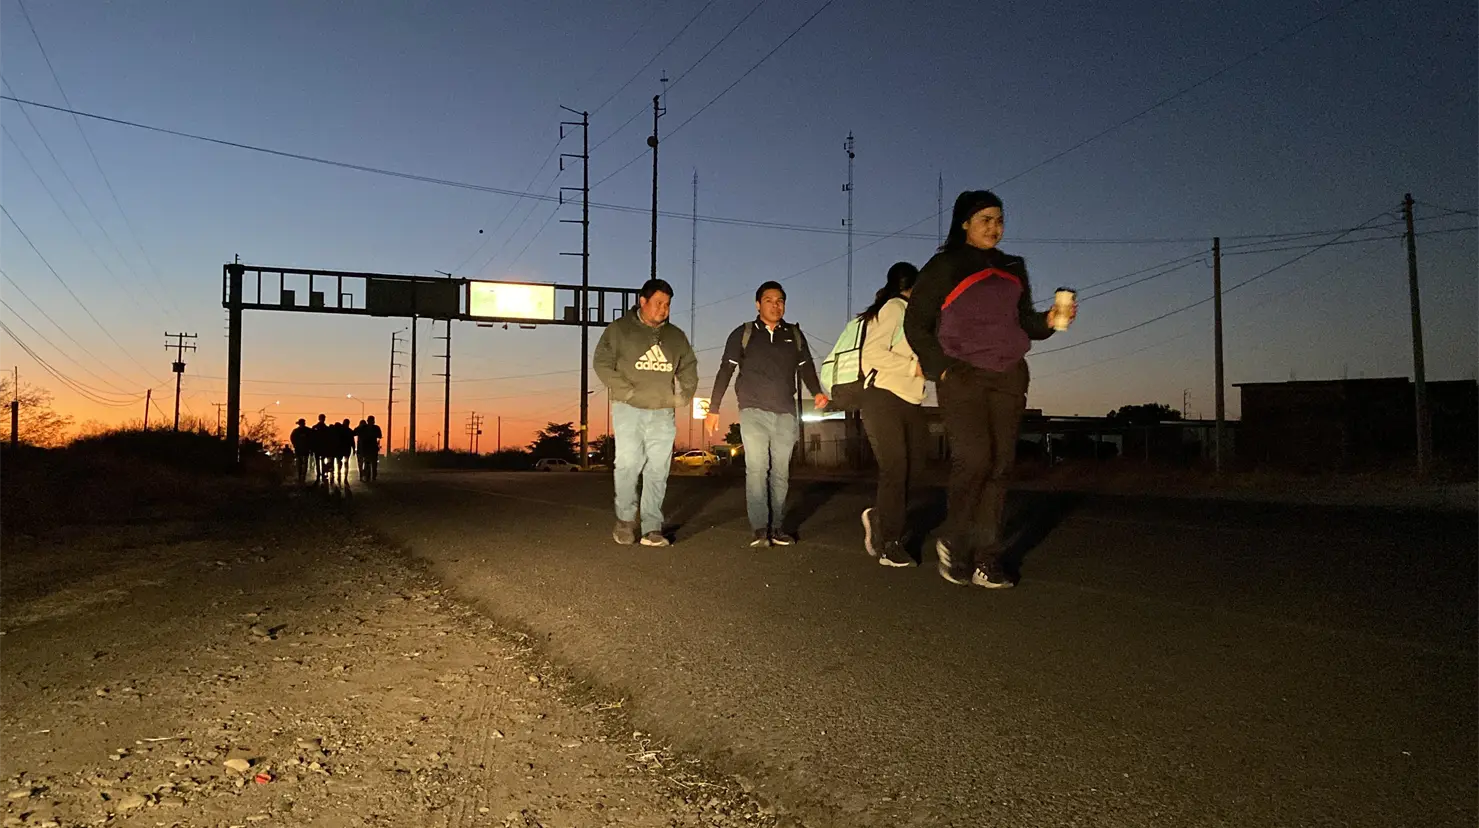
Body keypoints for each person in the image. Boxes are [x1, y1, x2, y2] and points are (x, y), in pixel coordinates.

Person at [904, 190, 1076, 589]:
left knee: (1000, 466)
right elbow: (916, 323)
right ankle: (955, 537)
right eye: (985, 219)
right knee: (975, 459)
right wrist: (942, 370)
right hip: (963, 374)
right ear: (964, 222)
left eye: (999, 220)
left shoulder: (1013, 267)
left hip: (1008, 374)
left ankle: (988, 559)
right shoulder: (946, 264)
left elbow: (1024, 323)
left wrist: (1048, 319)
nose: (994, 227)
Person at [706, 281, 828, 547]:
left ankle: (778, 527)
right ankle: (760, 528)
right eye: (770, 300)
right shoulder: (745, 333)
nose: (776, 305)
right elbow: (725, 370)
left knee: (781, 473)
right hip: (753, 411)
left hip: (785, 412)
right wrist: (713, 408)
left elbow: (807, 367)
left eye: (780, 300)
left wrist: (817, 391)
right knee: (757, 469)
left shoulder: (794, 335)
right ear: (758, 304)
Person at [593, 278, 698, 547]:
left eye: (667, 305)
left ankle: (652, 527)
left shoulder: (675, 336)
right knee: (628, 464)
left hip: (662, 412)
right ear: (643, 301)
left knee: (658, 469)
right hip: (628, 409)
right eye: (658, 303)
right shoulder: (619, 330)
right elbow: (602, 363)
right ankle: (626, 521)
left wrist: (684, 395)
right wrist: (626, 392)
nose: (663, 309)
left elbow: (688, 365)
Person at [857, 262, 927, 568]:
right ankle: (890, 544)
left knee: (914, 467)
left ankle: (879, 517)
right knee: (895, 470)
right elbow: (871, 354)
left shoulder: (912, 315)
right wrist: (913, 367)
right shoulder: (895, 308)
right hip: (883, 397)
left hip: (909, 399)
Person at [355, 415, 383, 481]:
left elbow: (380, 435)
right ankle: (369, 476)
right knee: (369, 463)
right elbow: (355, 432)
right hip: (367, 448)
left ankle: (372, 476)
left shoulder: (375, 428)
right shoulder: (364, 428)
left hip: (371, 448)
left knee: (373, 463)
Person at [289, 418, 313, 483]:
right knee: (301, 463)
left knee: (303, 463)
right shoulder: (300, 431)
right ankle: (301, 477)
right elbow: (292, 439)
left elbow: (311, 440)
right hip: (300, 449)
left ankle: (302, 477)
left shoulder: (305, 431)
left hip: (303, 449)